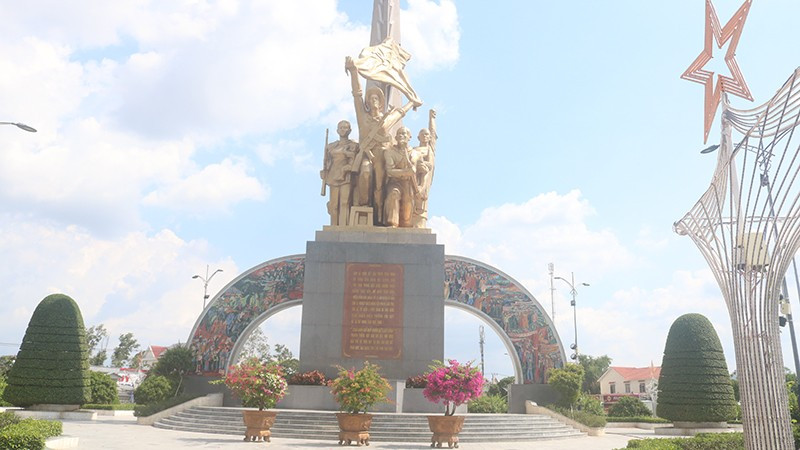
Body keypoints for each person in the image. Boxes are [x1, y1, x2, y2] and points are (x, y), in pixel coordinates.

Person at [345, 56, 421, 225]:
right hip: (366, 154)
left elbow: (400, 112)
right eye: (370, 98)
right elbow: (357, 95)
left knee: (380, 186)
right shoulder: (362, 116)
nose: (373, 101)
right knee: (364, 172)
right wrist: (353, 71)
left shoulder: (386, 119)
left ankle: (378, 217)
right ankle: (363, 207)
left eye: (376, 99)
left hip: (382, 155)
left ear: (381, 103)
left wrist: (412, 102)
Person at [320, 120, 358, 226]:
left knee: (345, 203)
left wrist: (347, 168)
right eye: (341, 127)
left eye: (345, 127)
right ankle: (334, 226)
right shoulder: (331, 146)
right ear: (337, 130)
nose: (343, 129)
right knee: (334, 205)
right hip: (333, 176)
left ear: (350, 130)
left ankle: (343, 226)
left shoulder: (353, 145)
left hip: (346, 176)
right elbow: (327, 163)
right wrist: (323, 172)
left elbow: (355, 162)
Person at [383, 127, 417, 227]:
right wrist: (405, 172)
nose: (402, 136)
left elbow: (414, 169)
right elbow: (390, 171)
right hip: (394, 182)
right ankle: (392, 222)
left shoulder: (414, 153)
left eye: (404, 134)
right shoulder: (389, 152)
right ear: (396, 137)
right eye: (399, 134)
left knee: (407, 217)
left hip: (407, 184)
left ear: (409, 137)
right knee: (394, 194)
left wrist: (405, 152)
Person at [412, 109, 437, 228]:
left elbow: (433, 132)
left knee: (422, 203)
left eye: (427, 134)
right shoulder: (414, 150)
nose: (425, 136)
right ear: (418, 137)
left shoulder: (430, 149)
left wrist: (431, 119)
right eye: (422, 134)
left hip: (425, 180)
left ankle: (420, 223)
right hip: (414, 180)